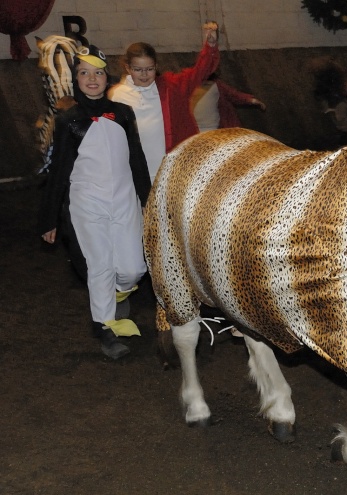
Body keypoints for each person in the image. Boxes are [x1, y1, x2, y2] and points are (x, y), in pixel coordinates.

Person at [38, 45, 151, 360]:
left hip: (125, 200)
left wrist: (147, 199)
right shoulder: (68, 120)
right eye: (84, 73)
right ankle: (104, 329)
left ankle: (120, 292)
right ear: (76, 79)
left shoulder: (123, 114)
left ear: (106, 77)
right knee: (99, 266)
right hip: (88, 204)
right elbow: (59, 170)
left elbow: (137, 160)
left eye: (98, 73)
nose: (92, 79)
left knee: (132, 268)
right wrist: (49, 219)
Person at [109, 22, 220, 183]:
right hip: (135, 172)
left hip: (172, 171)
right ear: (127, 68)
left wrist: (210, 47)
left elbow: (199, 72)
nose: (144, 74)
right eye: (138, 69)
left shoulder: (170, 87)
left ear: (156, 66)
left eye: (150, 69)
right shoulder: (117, 95)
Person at [191, 71, 266, 133]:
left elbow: (234, 95)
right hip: (198, 130)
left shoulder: (218, 86)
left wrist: (252, 100)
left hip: (218, 129)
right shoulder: (189, 87)